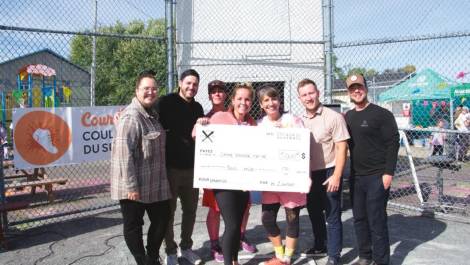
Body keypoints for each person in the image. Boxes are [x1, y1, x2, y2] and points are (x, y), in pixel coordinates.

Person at [110, 71, 171, 265]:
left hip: (153, 183)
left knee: (162, 219)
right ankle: (142, 261)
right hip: (134, 186)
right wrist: (131, 187)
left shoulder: (152, 114)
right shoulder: (131, 117)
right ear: (137, 90)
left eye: (154, 89)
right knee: (133, 226)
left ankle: (152, 257)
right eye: (146, 88)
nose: (150, 92)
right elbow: (123, 155)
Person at [196, 80, 257, 263]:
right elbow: (196, 134)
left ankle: (235, 260)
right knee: (231, 225)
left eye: (247, 100)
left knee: (237, 224)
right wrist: (200, 124)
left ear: (251, 102)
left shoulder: (253, 123)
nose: (243, 103)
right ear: (232, 99)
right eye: (239, 98)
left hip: (243, 182)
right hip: (223, 182)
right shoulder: (220, 117)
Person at [344, 74, 400, 265]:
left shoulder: (381, 114)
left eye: (359, 87)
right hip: (356, 177)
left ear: (366, 88)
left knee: (376, 220)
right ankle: (365, 255)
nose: (356, 91)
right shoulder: (348, 116)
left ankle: (381, 260)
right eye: (352, 89)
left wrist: (388, 172)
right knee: (359, 218)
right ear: (348, 92)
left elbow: (393, 143)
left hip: (377, 176)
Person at [296, 79, 349, 265]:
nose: (308, 98)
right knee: (314, 212)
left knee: (332, 215)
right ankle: (320, 245)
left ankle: (334, 256)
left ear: (318, 92)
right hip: (309, 174)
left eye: (311, 93)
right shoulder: (298, 121)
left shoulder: (334, 117)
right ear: (299, 98)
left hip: (329, 171)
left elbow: (342, 148)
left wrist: (337, 175)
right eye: (304, 95)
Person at [155, 69, 205, 265]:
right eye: (188, 83)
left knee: (191, 211)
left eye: (195, 84)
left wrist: (203, 122)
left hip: (192, 169)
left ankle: (186, 248)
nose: (191, 87)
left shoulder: (198, 107)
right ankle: (170, 251)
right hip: (170, 169)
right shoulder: (165, 102)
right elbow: (146, 113)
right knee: (168, 212)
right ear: (180, 82)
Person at [255, 86, 307, 265]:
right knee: (267, 218)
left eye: (273, 99)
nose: (271, 103)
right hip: (271, 181)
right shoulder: (260, 125)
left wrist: (285, 133)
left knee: (292, 219)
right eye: (266, 100)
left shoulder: (292, 119)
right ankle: (279, 253)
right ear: (261, 105)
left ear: (279, 100)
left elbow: (303, 146)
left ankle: (287, 258)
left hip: (291, 180)